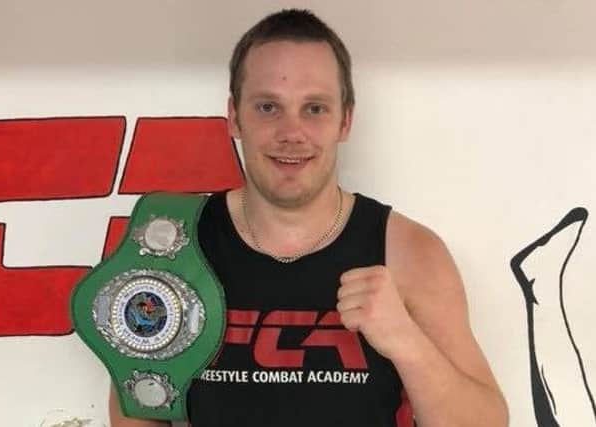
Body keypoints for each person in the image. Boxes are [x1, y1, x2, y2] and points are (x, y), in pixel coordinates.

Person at [109, 9, 508, 426]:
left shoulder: (408, 252)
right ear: (234, 116)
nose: (291, 132)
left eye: (314, 108)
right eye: (268, 107)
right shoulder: (172, 244)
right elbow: (135, 414)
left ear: (345, 120)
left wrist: (406, 341)